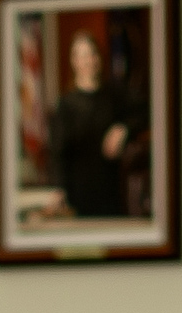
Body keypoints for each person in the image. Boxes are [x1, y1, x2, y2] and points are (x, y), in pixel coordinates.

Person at [46, 29, 137, 220]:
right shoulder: (66, 105)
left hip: (112, 195)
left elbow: (147, 112)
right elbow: (58, 154)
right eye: (82, 56)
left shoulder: (115, 95)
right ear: (74, 62)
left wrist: (124, 128)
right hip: (78, 199)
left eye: (92, 54)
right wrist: (58, 190)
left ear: (99, 58)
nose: (88, 61)